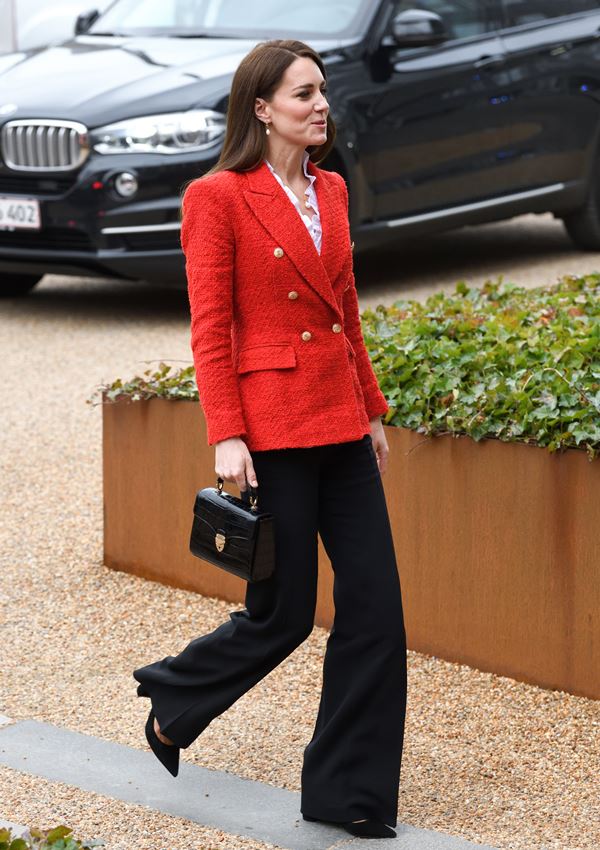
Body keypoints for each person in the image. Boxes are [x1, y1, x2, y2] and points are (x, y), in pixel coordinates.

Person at [133, 38, 407, 840]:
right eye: (302, 94)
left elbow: (345, 309)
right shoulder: (216, 198)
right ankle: (175, 699)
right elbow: (211, 330)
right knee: (280, 615)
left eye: (321, 91)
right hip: (274, 430)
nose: (320, 104)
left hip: (341, 428)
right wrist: (228, 434)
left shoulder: (332, 189)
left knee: (376, 613)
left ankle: (348, 793)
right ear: (261, 108)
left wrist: (373, 410)